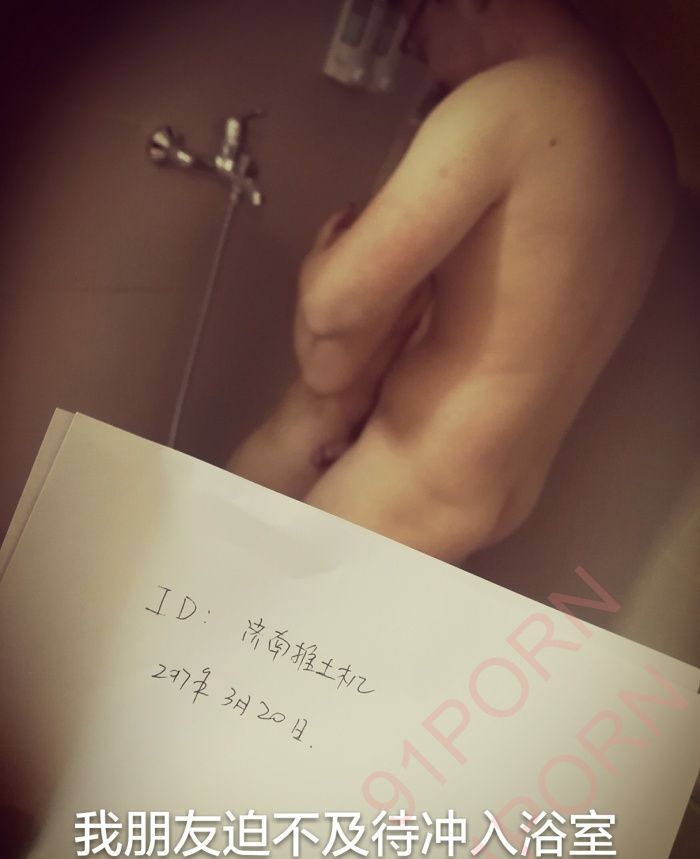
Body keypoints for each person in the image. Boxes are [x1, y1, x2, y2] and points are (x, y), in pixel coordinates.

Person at [227, 0, 676, 564]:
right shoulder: (653, 146)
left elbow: (332, 305)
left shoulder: (510, 99)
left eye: (414, 23)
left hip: (410, 477)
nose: (414, 50)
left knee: (233, 608)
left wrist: (320, 262)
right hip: (499, 492)